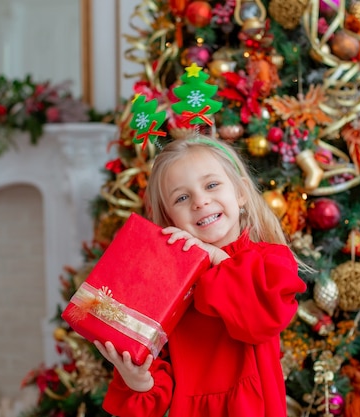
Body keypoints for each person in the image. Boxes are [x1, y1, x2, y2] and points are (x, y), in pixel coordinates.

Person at [94, 136, 307, 417]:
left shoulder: (272, 261)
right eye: (182, 197)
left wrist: (216, 258)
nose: (200, 201)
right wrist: (140, 380)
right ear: (170, 219)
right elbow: (159, 367)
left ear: (241, 193)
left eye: (211, 185)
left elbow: (256, 321)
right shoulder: (166, 284)